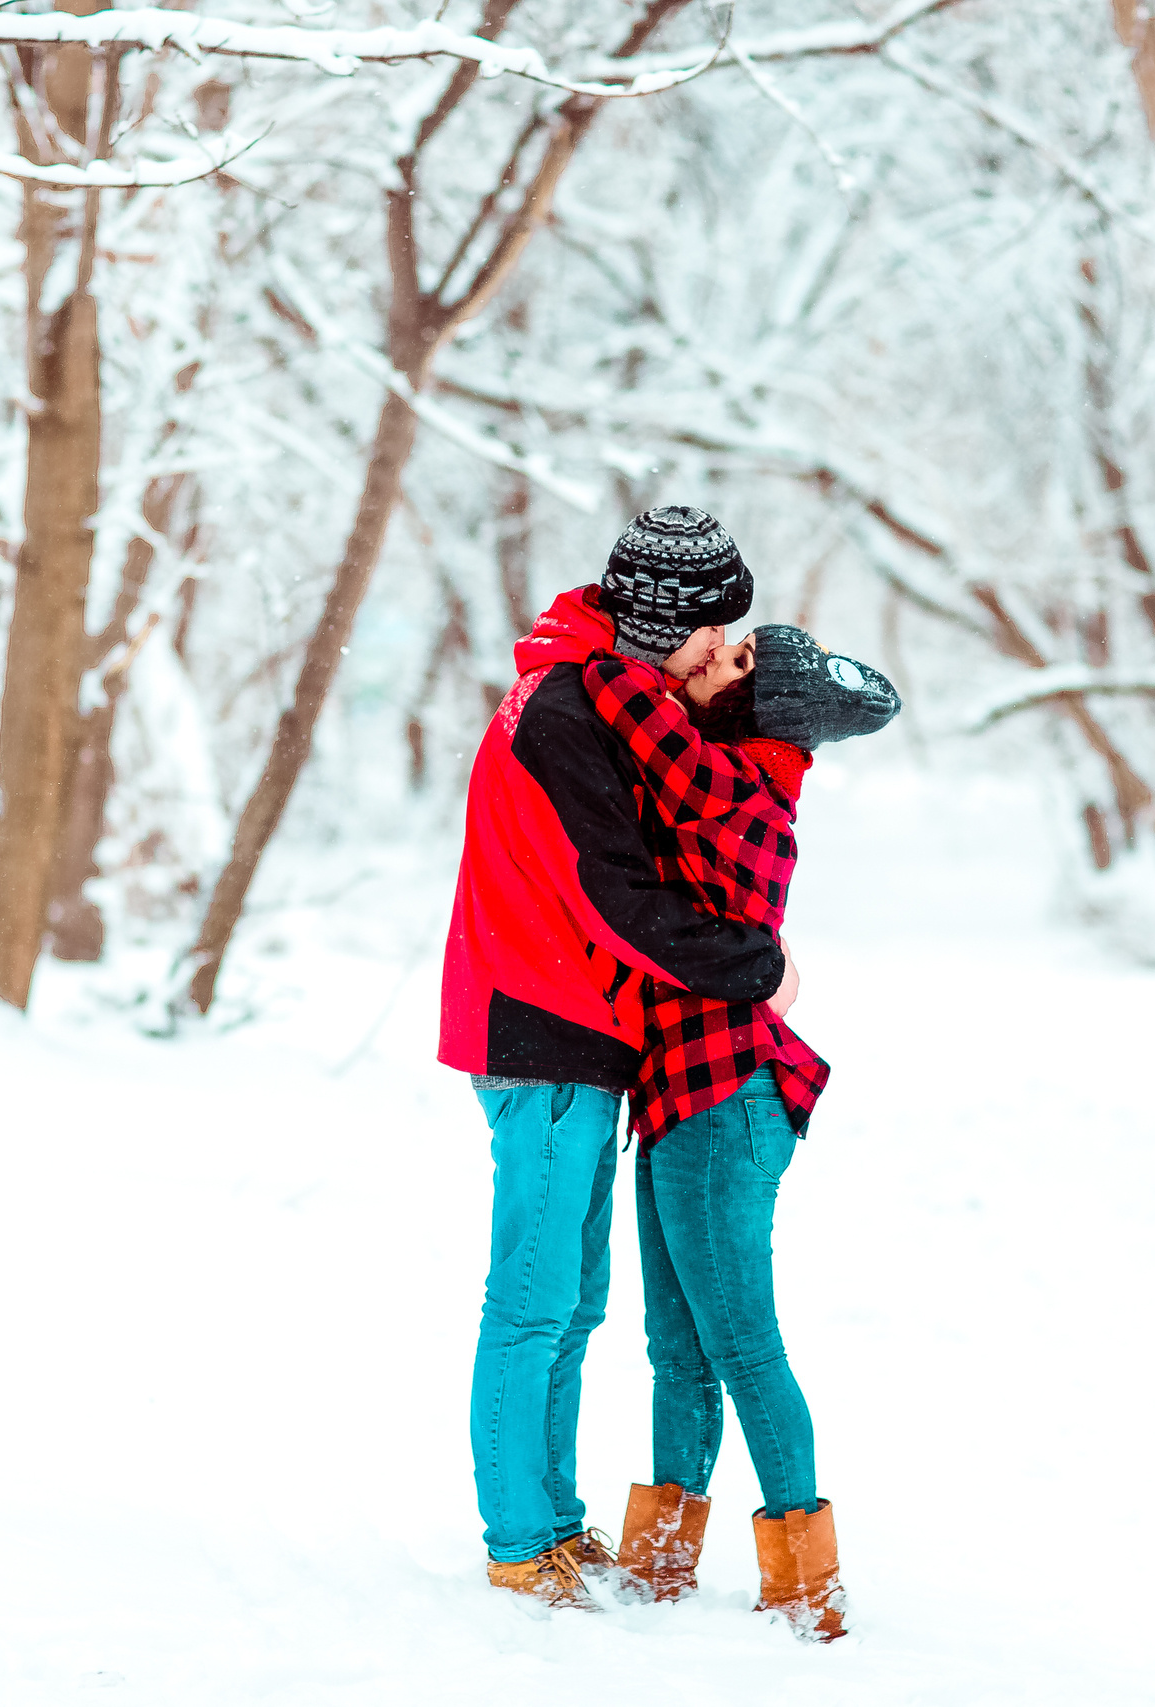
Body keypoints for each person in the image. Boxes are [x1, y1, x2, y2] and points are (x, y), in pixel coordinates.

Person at [438, 506, 797, 1609]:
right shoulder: (564, 711)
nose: (718, 652)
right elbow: (613, 894)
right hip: (540, 1022)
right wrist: (754, 964)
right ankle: (516, 1540)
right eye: (710, 632)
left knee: (574, 1298)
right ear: (659, 624)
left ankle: (551, 1521)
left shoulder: (594, 690)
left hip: (575, 1027)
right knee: (534, 1299)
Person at [577, 622, 900, 1642]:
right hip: (680, 1097)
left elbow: (634, 715)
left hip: (725, 1103)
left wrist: (600, 647)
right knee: (676, 1345)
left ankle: (808, 1587)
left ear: (761, 711)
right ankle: (661, 1566)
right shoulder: (732, 774)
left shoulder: (747, 793)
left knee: (743, 1346)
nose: (719, 658)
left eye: (742, 663)